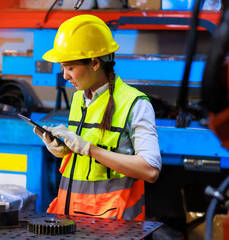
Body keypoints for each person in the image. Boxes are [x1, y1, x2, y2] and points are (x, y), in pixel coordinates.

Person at [33, 14, 161, 221]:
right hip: (72, 220)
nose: (65, 76)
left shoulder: (135, 104)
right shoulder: (78, 99)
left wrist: (88, 149)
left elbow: (150, 170)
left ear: (94, 63)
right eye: (63, 67)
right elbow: (87, 163)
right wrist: (64, 149)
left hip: (111, 225)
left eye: (70, 67)